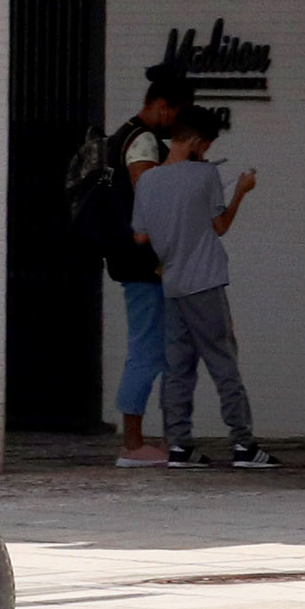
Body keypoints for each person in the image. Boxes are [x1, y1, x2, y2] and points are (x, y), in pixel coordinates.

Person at [129, 105, 281, 470]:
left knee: (178, 367)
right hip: (206, 282)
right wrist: (241, 190)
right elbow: (221, 225)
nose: (208, 152)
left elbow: (140, 235)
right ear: (196, 141)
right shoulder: (204, 176)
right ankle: (243, 445)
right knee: (223, 360)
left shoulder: (148, 180)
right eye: (207, 144)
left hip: (173, 283)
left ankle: (180, 445)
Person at [98, 69, 196, 466]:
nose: (179, 124)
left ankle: (139, 440)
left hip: (132, 260)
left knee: (151, 347)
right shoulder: (142, 142)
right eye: (177, 114)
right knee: (147, 349)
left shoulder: (123, 133)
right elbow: (150, 198)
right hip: (142, 264)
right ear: (162, 107)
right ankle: (134, 443)